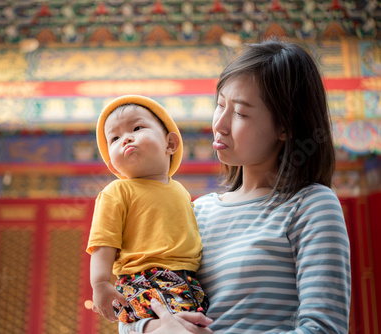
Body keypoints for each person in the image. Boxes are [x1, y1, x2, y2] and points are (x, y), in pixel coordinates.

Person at [122, 39, 351, 334]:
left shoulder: (310, 205)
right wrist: (155, 329)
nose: (220, 124)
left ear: (286, 127)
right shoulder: (194, 211)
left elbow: (323, 329)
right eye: (220, 104)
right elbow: (133, 308)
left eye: (241, 113)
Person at [86, 95, 209, 325]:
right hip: (141, 280)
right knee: (160, 325)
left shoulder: (181, 191)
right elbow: (104, 242)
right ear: (113, 165)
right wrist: (100, 283)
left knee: (190, 325)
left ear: (170, 144)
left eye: (137, 127)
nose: (126, 138)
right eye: (115, 137)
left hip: (187, 281)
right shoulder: (117, 191)